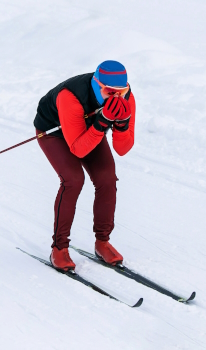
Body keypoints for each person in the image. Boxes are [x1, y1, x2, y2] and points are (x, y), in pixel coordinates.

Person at [33, 60, 136, 271]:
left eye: (122, 90)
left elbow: (122, 149)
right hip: (54, 133)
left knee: (107, 178)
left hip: (90, 130)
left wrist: (122, 123)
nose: (117, 97)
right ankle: (59, 248)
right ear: (97, 85)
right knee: (73, 180)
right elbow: (78, 149)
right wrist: (103, 121)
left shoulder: (127, 98)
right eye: (109, 91)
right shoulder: (70, 97)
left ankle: (102, 242)